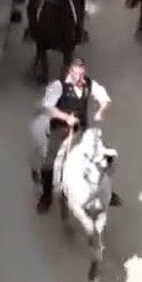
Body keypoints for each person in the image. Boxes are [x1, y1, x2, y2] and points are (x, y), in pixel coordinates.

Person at [36, 58, 119, 213]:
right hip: (60, 129)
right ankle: (46, 197)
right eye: (76, 75)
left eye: (82, 75)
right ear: (70, 72)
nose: (80, 79)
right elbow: (48, 106)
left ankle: (108, 192)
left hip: (81, 128)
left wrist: (101, 109)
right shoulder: (58, 85)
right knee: (49, 163)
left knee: (102, 154)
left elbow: (103, 96)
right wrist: (66, 118)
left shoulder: (88, 83)